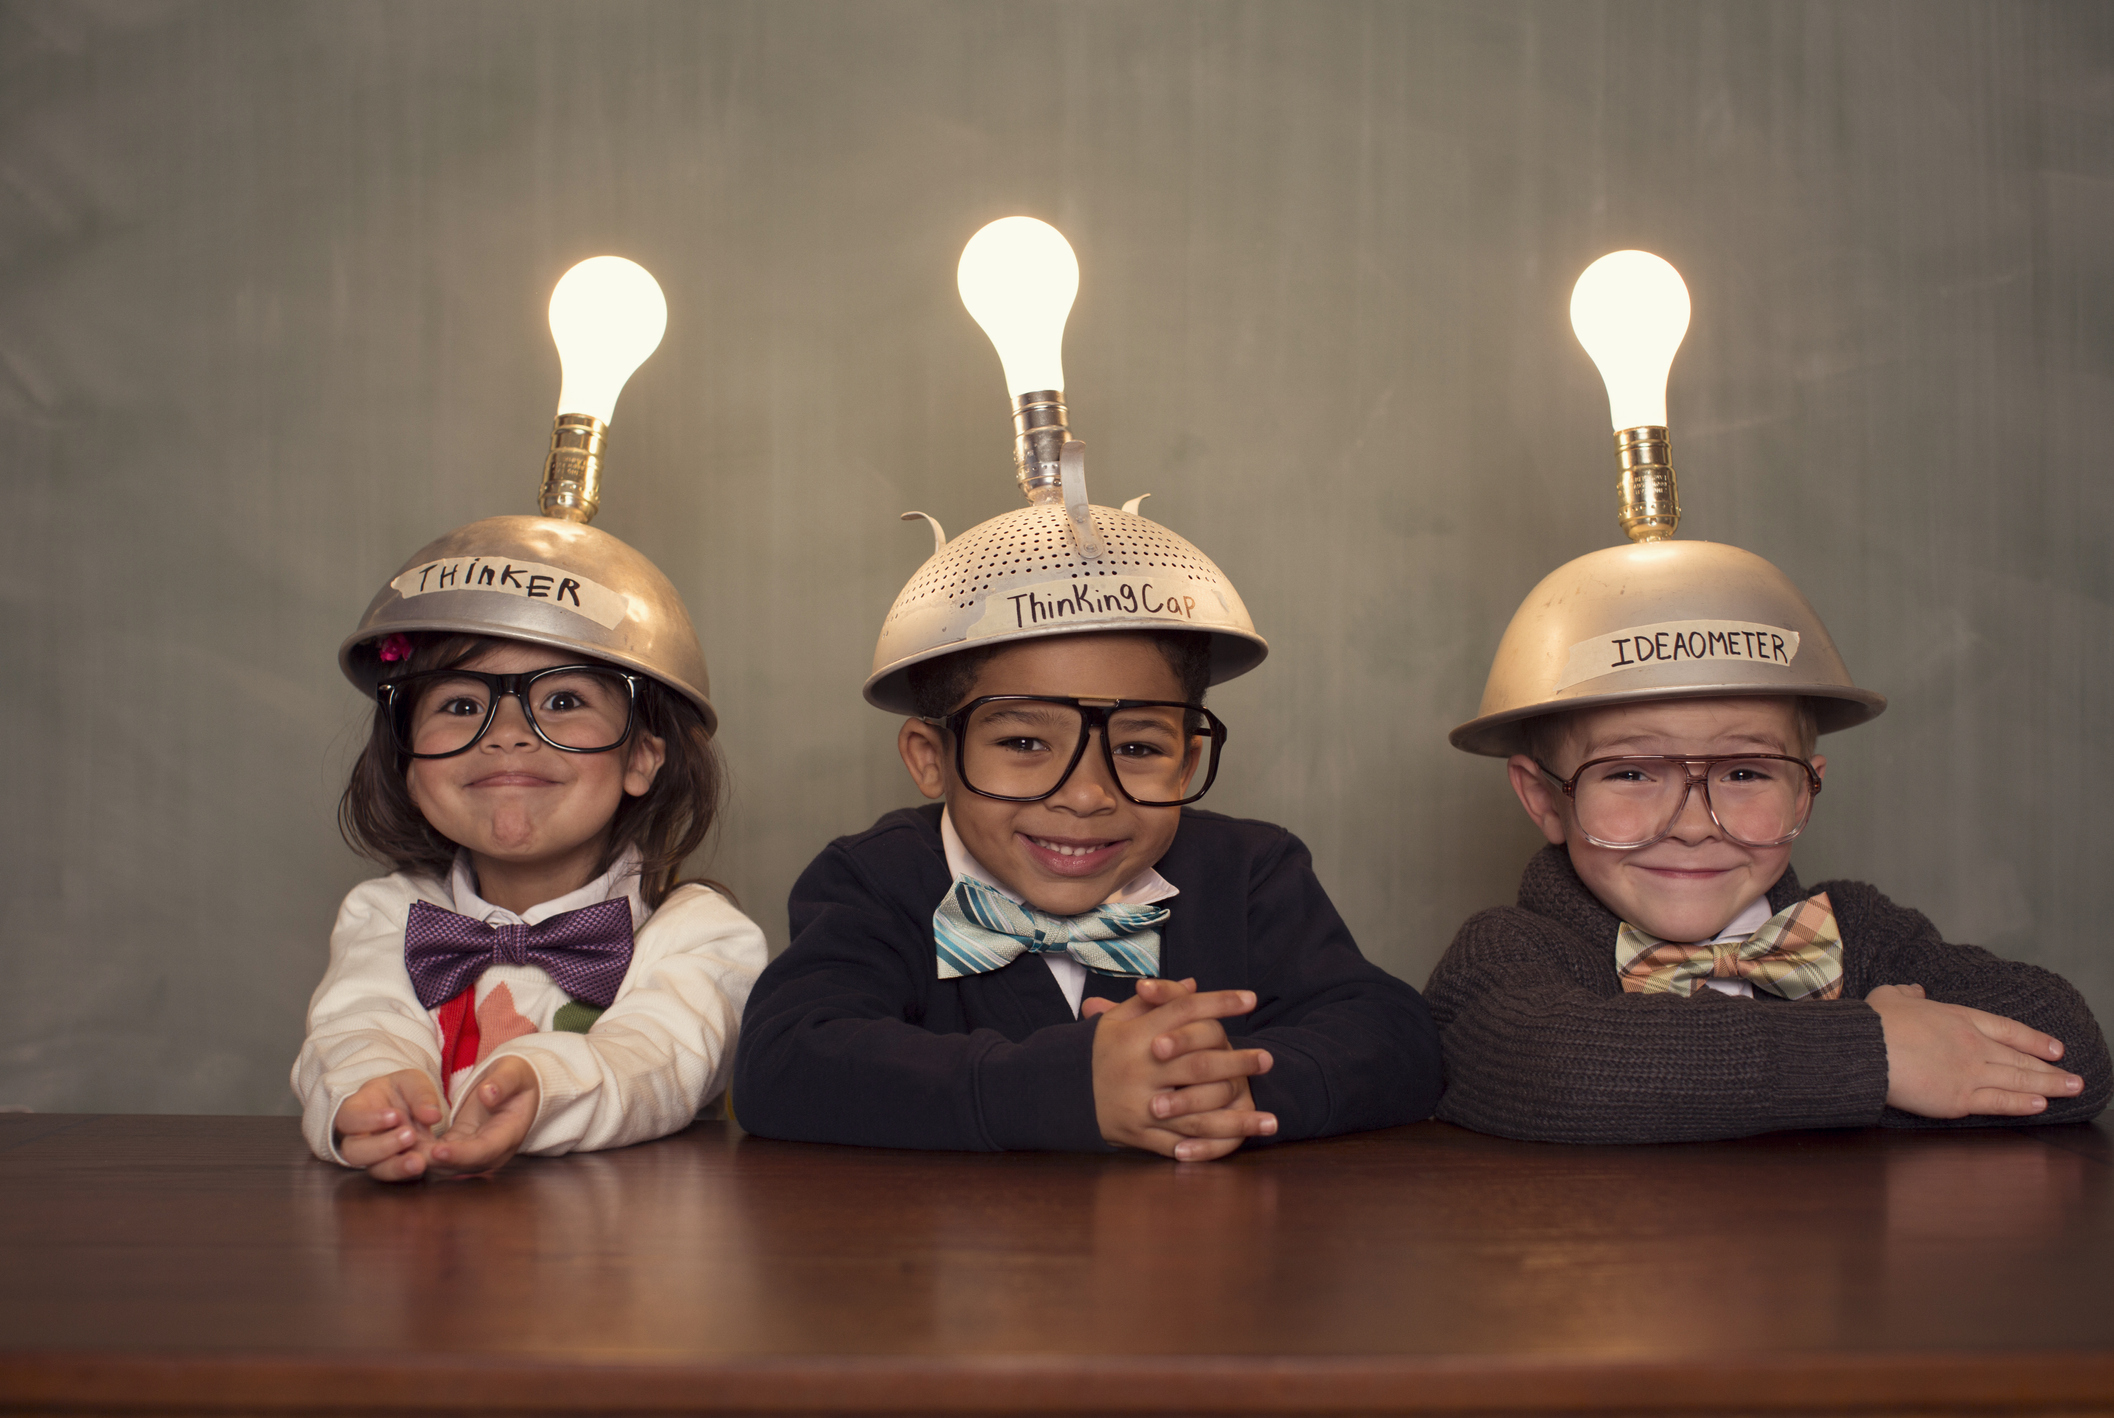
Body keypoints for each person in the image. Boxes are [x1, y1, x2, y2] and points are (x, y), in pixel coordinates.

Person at [734, 480, 1443, 1160]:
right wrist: (1069, 1088)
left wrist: (1220, 1082)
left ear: (1188, 761)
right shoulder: (876, 878)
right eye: (1023, 743)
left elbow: (1397, 1039)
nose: (1086, 795)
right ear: (931, 758)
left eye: (1137, 747)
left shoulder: (1248, 870)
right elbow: (785, 1064)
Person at [1427, 538, 2110, 1142]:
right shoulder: (1507, 955)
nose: (1692, 826)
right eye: (1630, 772)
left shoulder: (1862, 933)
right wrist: (1879, 1059)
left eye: (1745, 771)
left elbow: (2069, 1049)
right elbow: (1558, 1073)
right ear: (1544, 797)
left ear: (1805, 791)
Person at [293, 516, 767, 1180]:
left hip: (625, 1262)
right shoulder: (384, 914)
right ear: (405, 760)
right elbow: (354, 1033)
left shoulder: (704, 937)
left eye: (563, 699)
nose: (508, 732)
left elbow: (654, 1059)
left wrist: (541, 1084)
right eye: (460, 706)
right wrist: (371, 1096)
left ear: (641, 758)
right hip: (423, 1260)